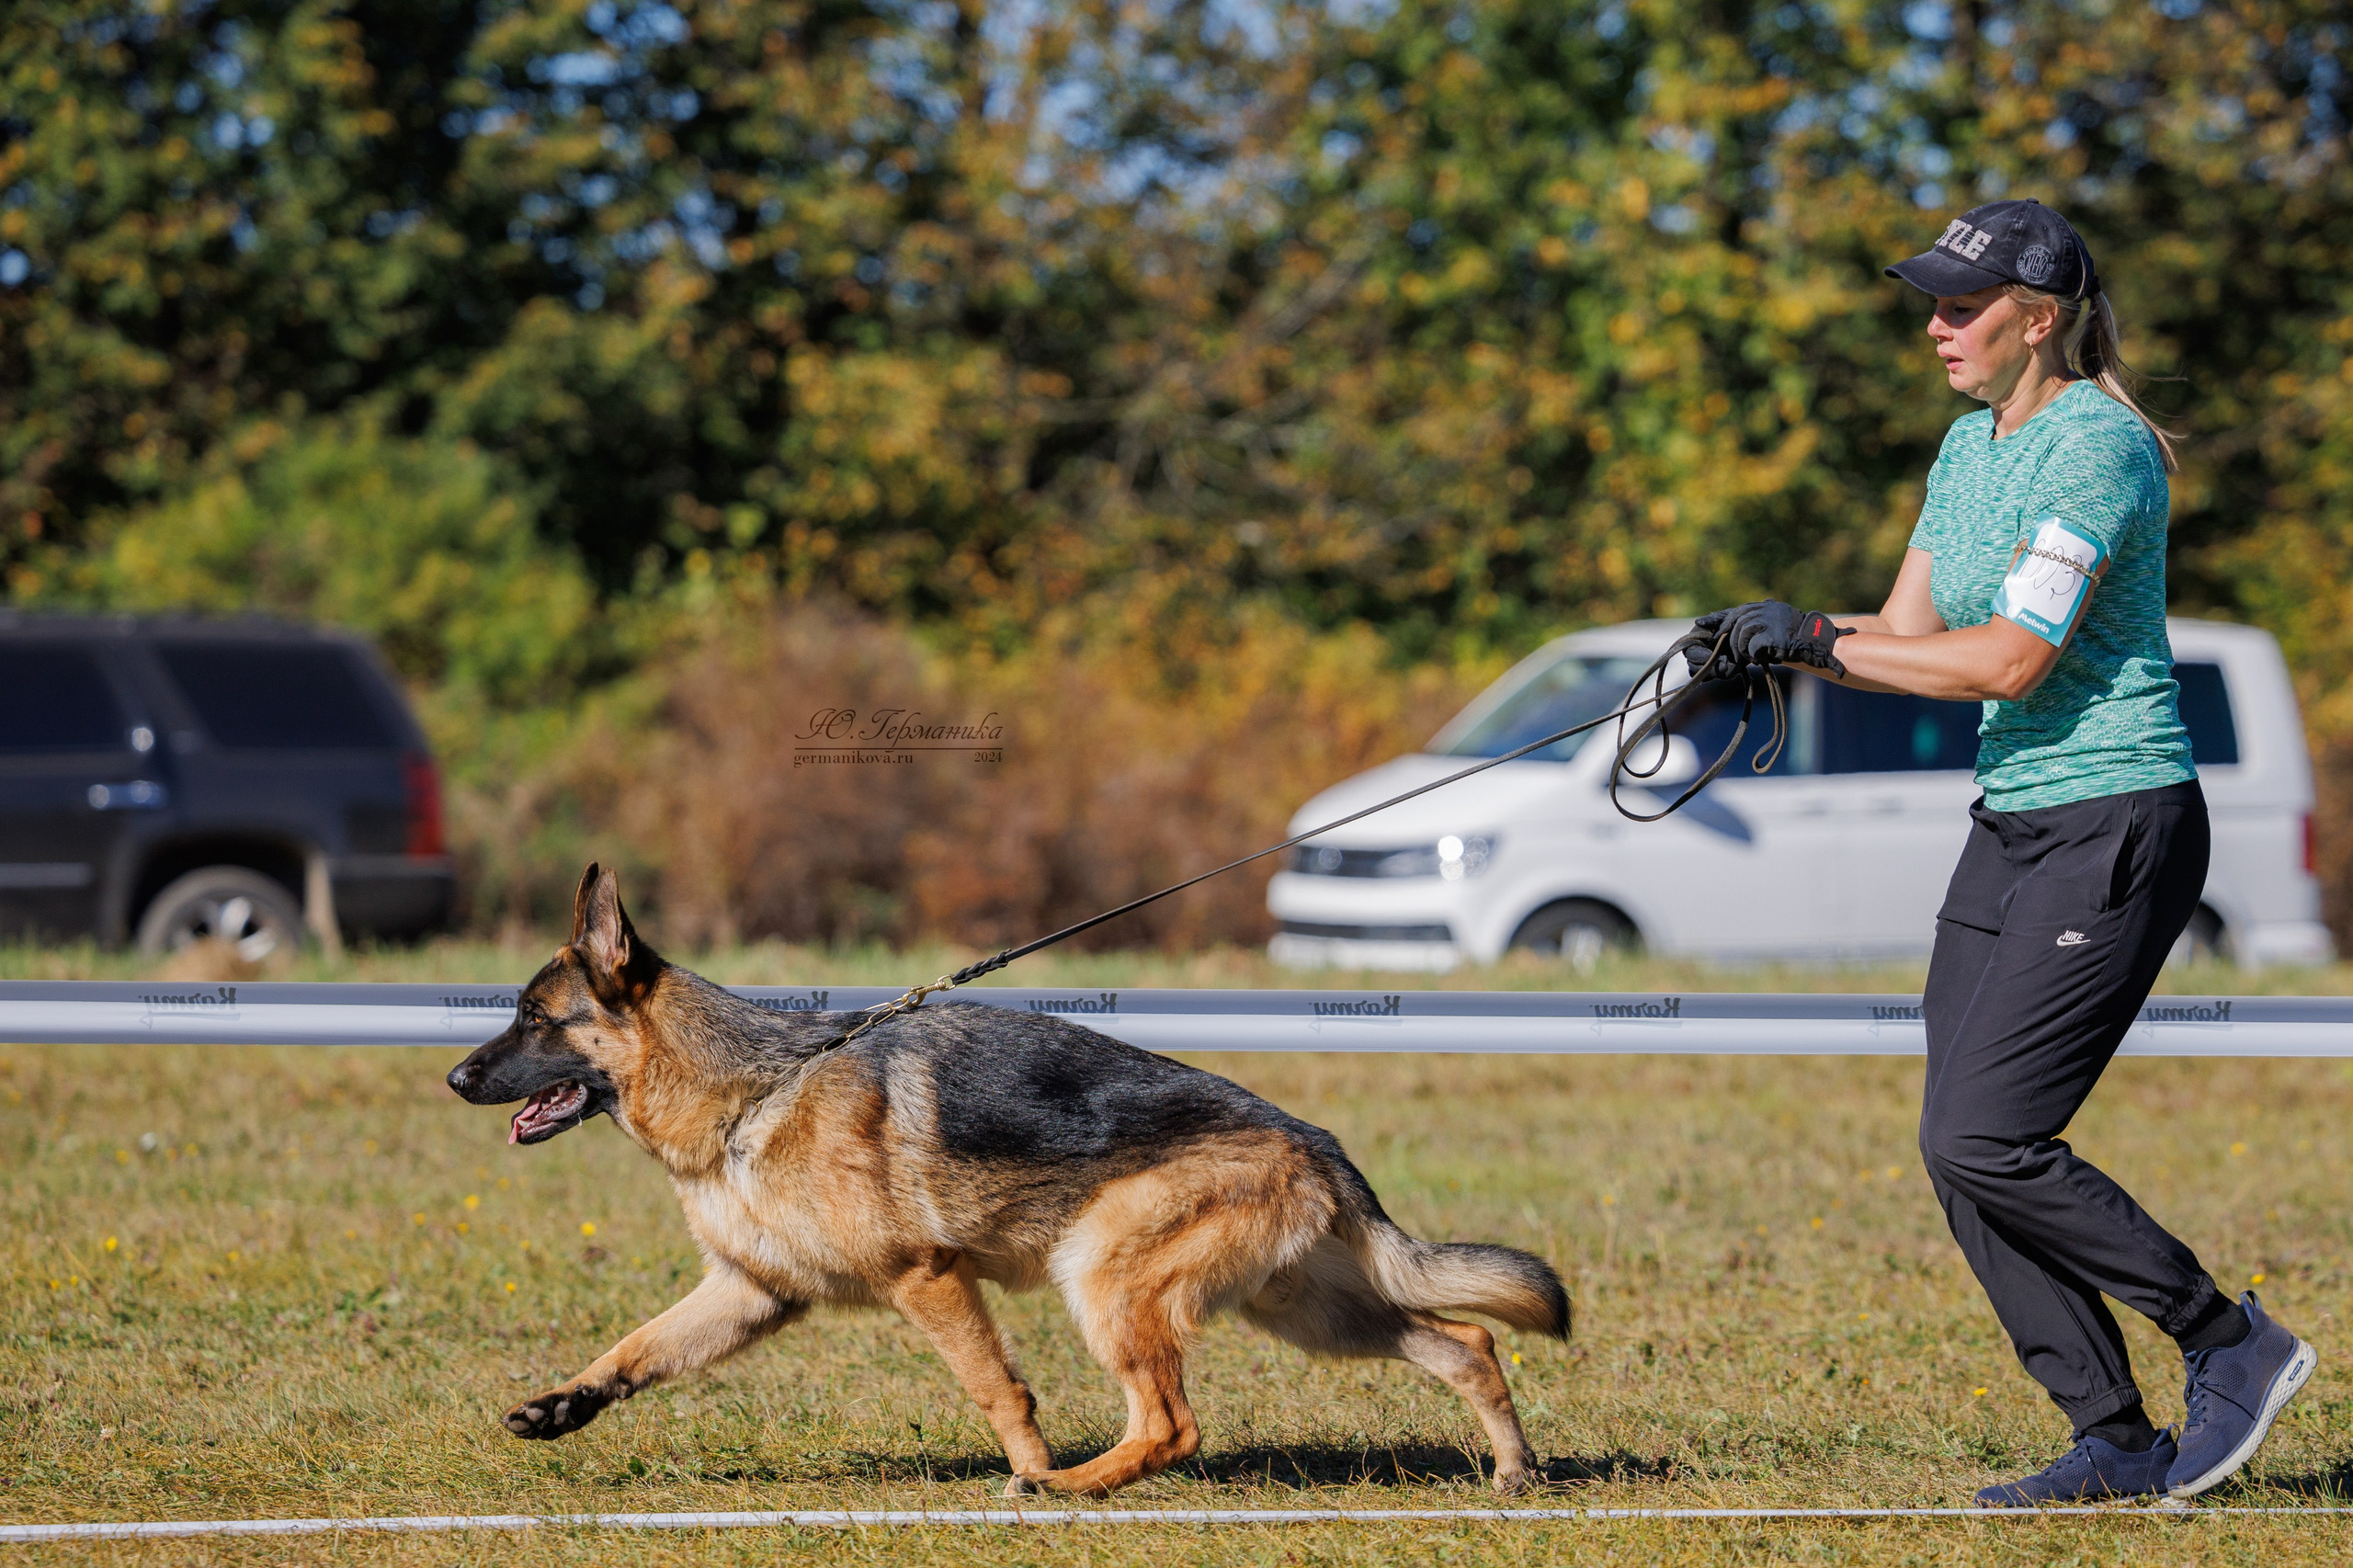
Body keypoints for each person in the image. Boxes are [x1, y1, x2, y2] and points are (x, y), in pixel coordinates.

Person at [1688, 199, 2315, 1506]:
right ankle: (2116, 1439)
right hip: (2014, 817)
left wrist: (1821, 641)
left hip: (2117, 817)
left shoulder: (2099, 449)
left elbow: (2011, 661)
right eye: (1932, 303)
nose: (1935, 327)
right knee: (1956, 1142)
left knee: (1989, 1132)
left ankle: (2227, 1338)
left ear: (2038, 319)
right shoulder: (1967, 446)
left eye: (1960, 307)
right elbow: (1910, 632)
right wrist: (1774, 635)